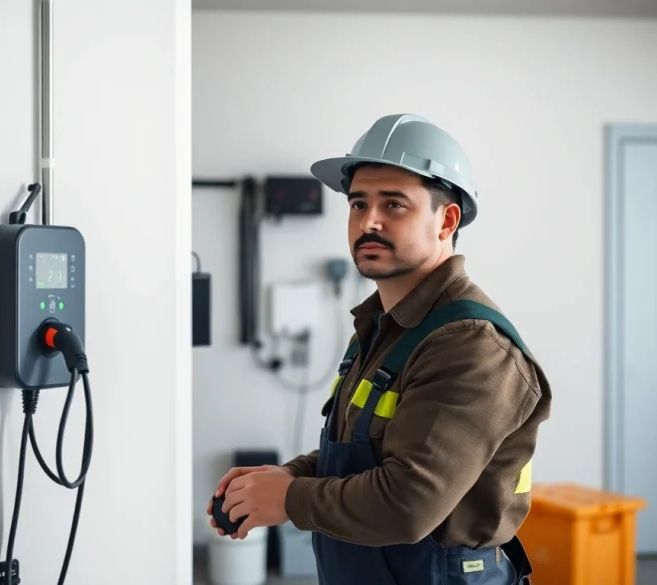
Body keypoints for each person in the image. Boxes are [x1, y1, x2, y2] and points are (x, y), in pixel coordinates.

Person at [207, 114, 552, 585]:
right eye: (358, 203)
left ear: (446, 220)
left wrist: (288, 499)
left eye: (394, 204)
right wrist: (281, 478)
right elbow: (367, 452)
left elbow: (408, 504)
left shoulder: (470, 345)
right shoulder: (381, 327)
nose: (368, 221)